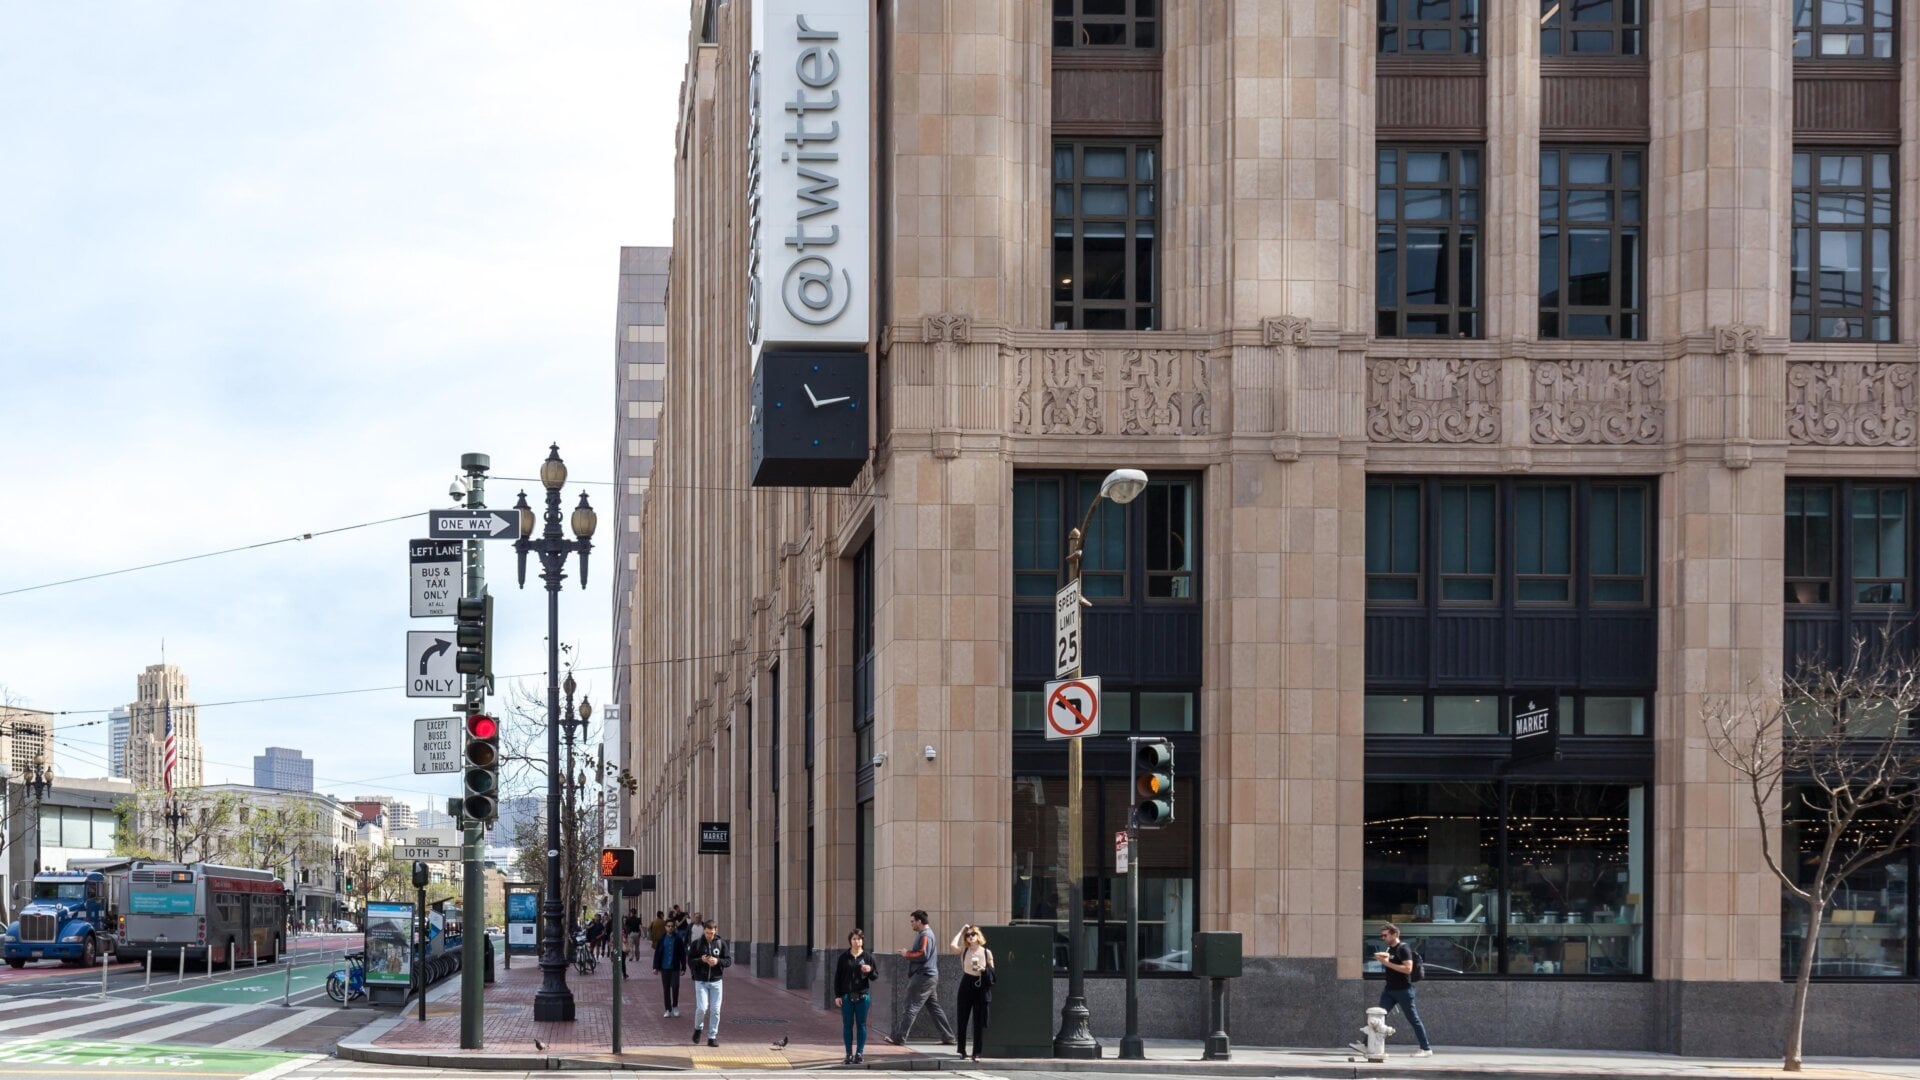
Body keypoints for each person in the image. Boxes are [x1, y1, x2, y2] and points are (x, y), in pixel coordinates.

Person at [886, 910, 956, 1047]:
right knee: (934, 1008)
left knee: (911, 1007)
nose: (911, 924)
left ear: (919, 921)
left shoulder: (926, 935)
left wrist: (907, 954)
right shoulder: (925, 935)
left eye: (912, 921)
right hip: (929, 976)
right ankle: (948, 1036)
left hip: (923, 977)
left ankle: (898, 1037)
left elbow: (922, 954)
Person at [1373, 923, 1432, 1057]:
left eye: (1385, 935)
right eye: (1382, 935)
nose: (1383, 938)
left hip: (1403, 990)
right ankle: (1366, 1044)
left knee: (1413, 1019)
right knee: (1378, 1017)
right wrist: (1385, 959)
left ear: (1395, 934)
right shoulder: (1390, 949)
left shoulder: (1403, 948)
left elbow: (1408, 969)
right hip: (1390, 989)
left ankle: (1426, 1048)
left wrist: (1386, 963)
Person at [832, 928, 879, 1065]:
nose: (857, 941)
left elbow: (875, 976)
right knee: (847, 1025)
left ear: (862, 941)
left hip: (862, 997)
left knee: (861, 1025)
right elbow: (838, 978)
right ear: (850, 941)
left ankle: (859, 1053)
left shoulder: (868, 957)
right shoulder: (843, 957)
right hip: (846, 997)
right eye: (854, 939)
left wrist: (870, 970)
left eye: (859, 939)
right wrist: (837, 995)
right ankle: (848, 1054)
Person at [950, 923, 994, 1061]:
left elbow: (993, 972)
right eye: (967, 935)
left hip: (980, 985)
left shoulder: (986, 952)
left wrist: (983, 969)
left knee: (978, 1021)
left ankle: (977, 1053)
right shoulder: (964, 950)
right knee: (962, 1018)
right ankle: (962, 1051)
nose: (970, 937)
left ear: (978, 935)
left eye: (972, 934)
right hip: (966, 983)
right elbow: (952, 945)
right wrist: (961, 930)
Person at [688, 919, 732, 1047]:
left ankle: (712, 1036)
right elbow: (690, 961)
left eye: (712, 933)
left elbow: (728, 961)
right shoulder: (697, 944)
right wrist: (701, 960)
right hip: (701, 981)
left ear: (716, 931)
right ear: (704, 931)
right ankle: (698, 1029)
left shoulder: (721, 943)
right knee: (702, 1008)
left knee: (715, 1010)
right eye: (707, 933)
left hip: (716, 981)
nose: (709, 935)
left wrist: (717, 961)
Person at [654, 914, 686, 1018]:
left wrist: (684, 967)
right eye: (668, 926)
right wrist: (655, 967)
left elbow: (682, 954)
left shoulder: (678, 939)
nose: (670, 928)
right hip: (664, 968)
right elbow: (657, 953)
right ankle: (667, 1009)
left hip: (675, 968)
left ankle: (675, 1006)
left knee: (675, 986)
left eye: (672, 926)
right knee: (666, 988)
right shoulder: (662, 939)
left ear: (674, 927)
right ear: (665, 927)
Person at [623, 909, 644, 977]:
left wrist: (627, 932)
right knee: (637, 946)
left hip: (631, 933)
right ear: (636, 913)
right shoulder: (638, 919)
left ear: (631, 913)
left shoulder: (628, 919)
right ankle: (637, 957)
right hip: (637, 933)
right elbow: (640, 927)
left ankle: (631, 956)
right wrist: (642, 933)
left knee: (631, 946)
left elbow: (625, 925)